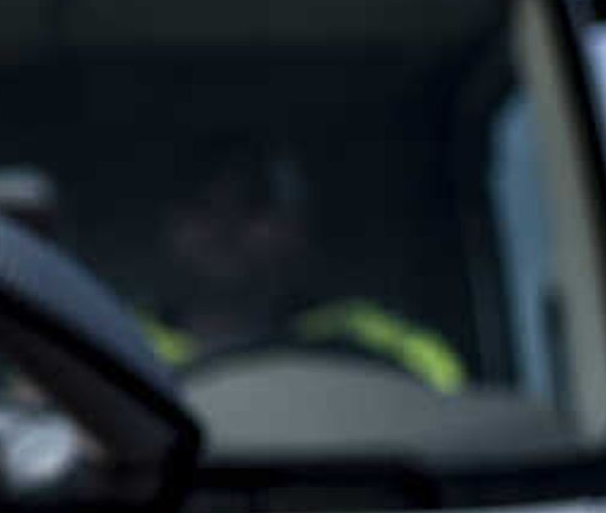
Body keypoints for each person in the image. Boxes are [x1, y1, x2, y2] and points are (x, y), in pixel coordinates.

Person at [140, 135, 464, 391]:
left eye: (253, 202)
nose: (226, 222)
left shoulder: (391, 349)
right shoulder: (116, 348)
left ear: (296, 228)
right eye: (200, 203)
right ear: (165, 224)